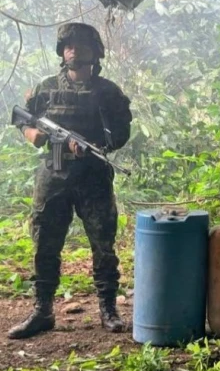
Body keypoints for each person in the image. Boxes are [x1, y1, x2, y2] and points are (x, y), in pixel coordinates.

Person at [8, 23, 132, 339]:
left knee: (103, 243)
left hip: (92, 175)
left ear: (95, 53)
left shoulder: (108, 92)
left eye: (81, 45)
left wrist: (98, 146)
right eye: (68, 46)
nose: (73, 50)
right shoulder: (46, 88)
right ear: (62, 52)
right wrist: (33, 134)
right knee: (45, 241)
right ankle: (42, 310)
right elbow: (22, 119)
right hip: (54, 174)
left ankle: (108, 308)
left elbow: (121, 132)